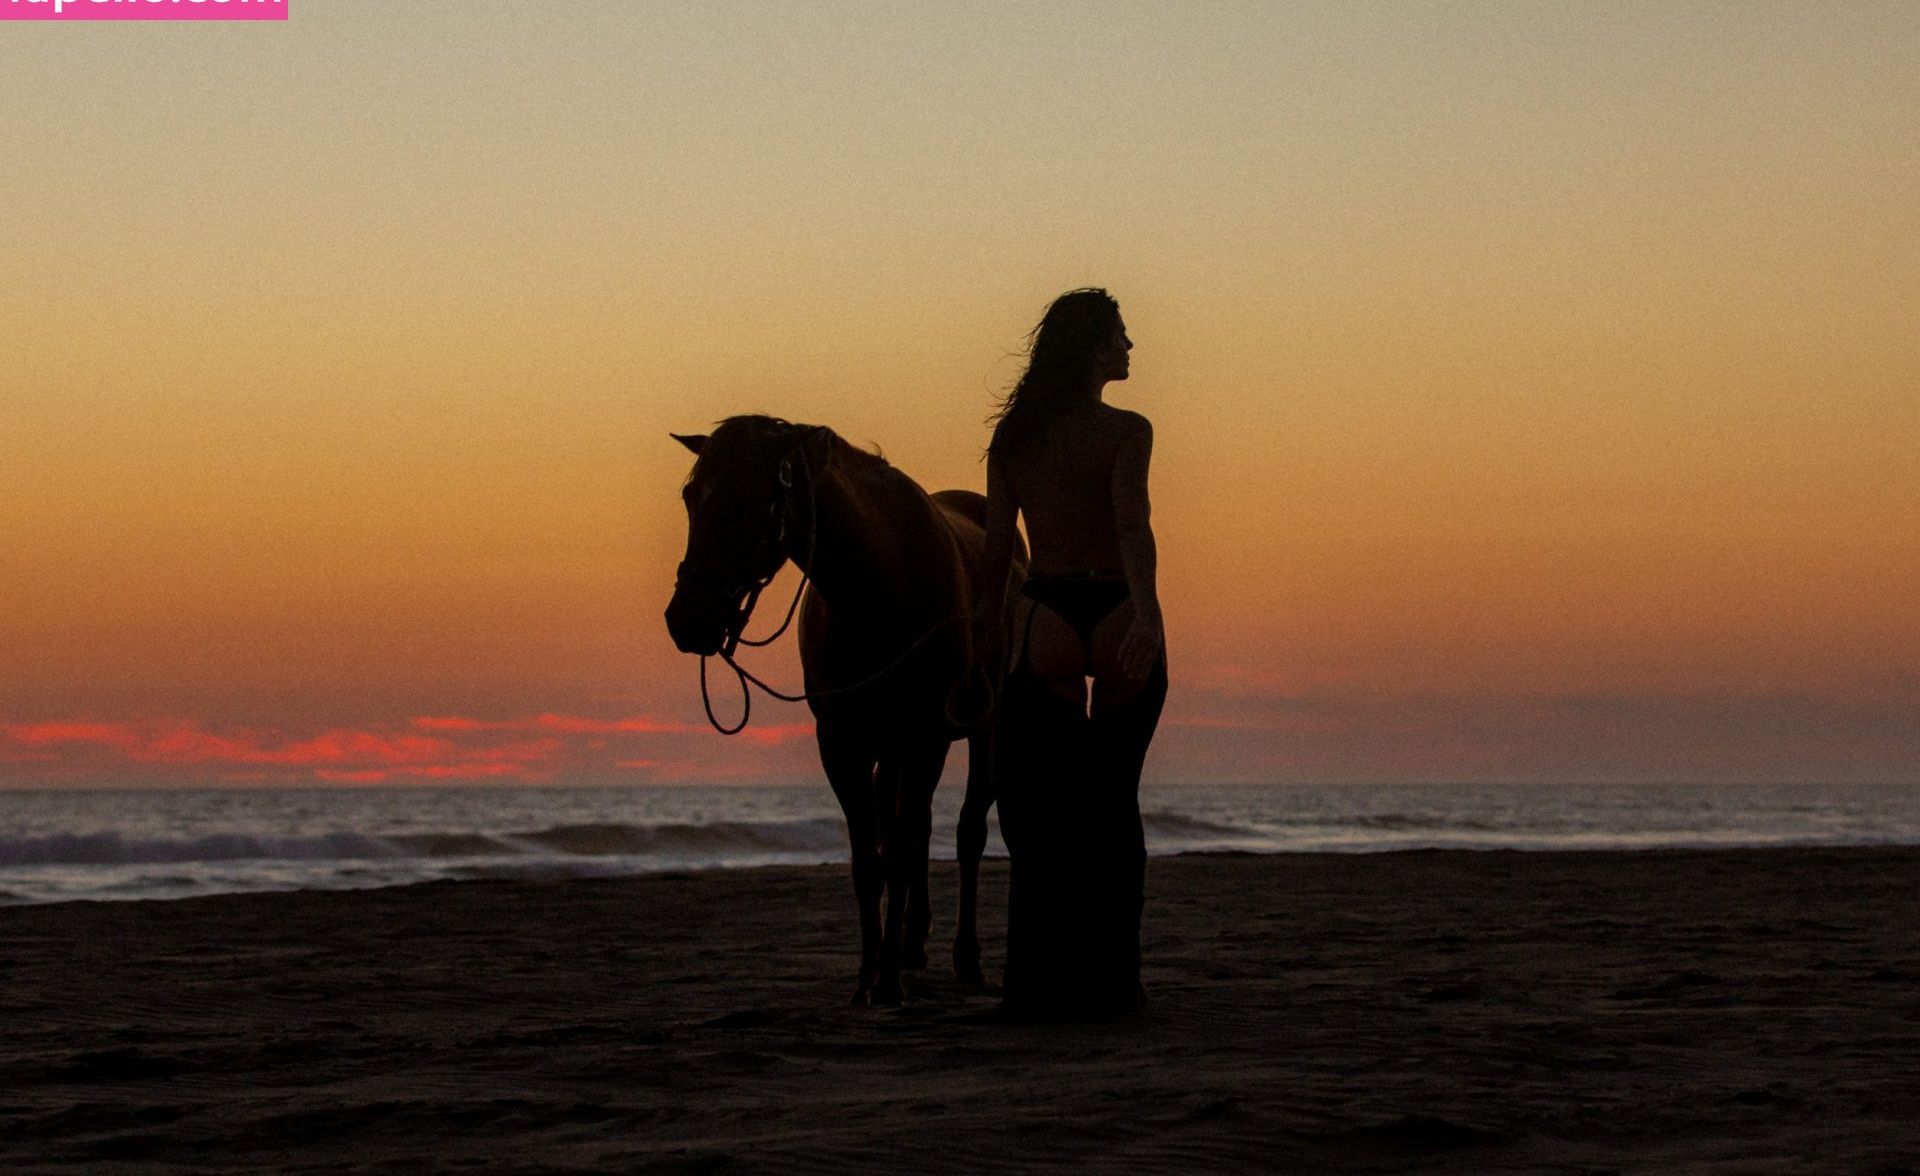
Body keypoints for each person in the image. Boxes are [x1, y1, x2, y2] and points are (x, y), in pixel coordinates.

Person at [978, 288, 1167, 1018]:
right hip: (1116, 604)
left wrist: (984, 631)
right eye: (1121, 335)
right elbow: (1132, 526)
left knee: (1037, 817)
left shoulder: (1014, 438)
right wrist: (1146, 616)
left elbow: (998, 549)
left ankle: (1032, 987)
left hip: (1044, 611)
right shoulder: (1127, 430)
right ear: (1093, 347)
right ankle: (1116, 984)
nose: (1129, 347)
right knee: (1114, 808)